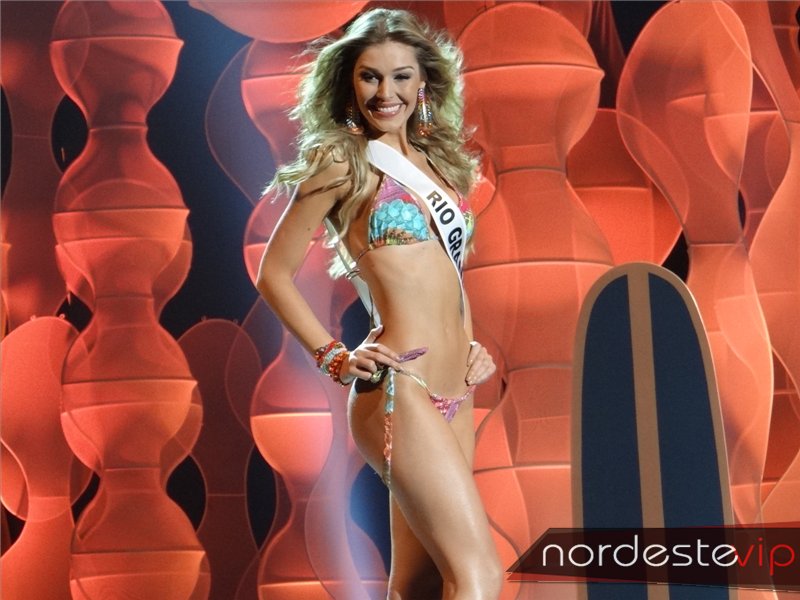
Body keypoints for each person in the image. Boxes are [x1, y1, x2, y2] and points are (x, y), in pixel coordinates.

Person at [257, 8, 503, 599]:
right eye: (370, 76)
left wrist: (471, 344)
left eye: (400, 76)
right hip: (402, 385)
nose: (385, 92)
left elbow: (444, 277)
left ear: (423, 84)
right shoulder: (343, 162)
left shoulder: (439, 164)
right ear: (349, 82)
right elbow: (274, 274)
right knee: (479, 575)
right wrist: (333, 356)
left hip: (456, 387)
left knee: (418, 584)